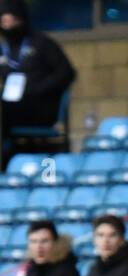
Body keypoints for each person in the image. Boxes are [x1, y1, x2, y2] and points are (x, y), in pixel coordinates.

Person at [0, 0, 76, 167]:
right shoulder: (3, 48)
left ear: (20, 18)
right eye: (3, 21)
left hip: (40, 107)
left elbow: (67, 73)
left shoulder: (42, 43)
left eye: (10, 19)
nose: (7, 25)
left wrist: (39, 89)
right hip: (10, 108)